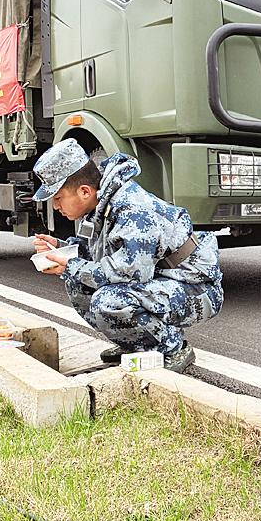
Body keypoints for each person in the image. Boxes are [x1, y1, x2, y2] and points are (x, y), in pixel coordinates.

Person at [31, 139, 223, 373]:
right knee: (79, 284)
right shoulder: (100, 204)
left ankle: (173, 346)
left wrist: (71, 266)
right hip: (160, 281)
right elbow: (101, 252)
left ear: (84, 191)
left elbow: (130, 273)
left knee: (109, 300)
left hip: (195, 287)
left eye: (58, 197)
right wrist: (60, 249)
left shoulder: (132, 209)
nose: (55, 205)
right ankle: (137, 344)